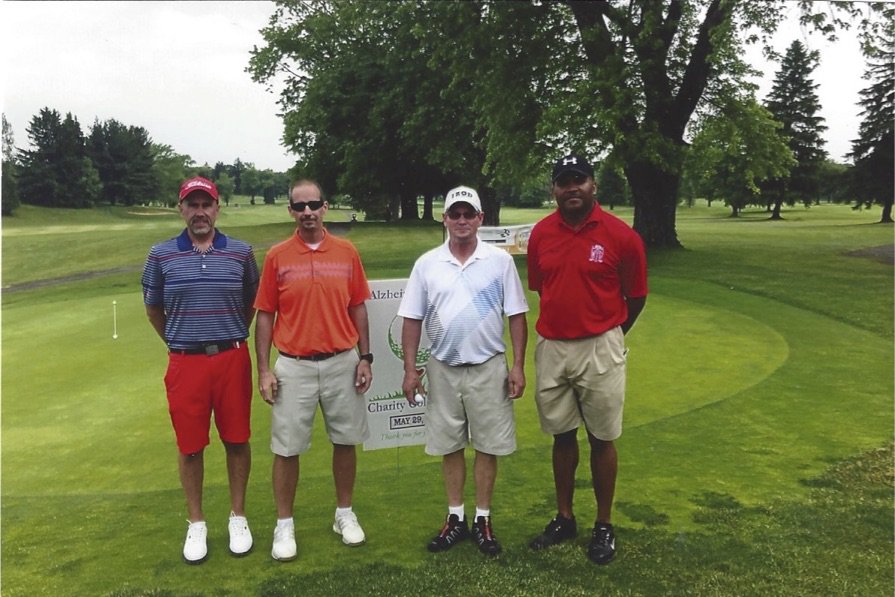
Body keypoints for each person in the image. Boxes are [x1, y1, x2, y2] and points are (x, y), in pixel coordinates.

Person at [526, 155, 648, 565]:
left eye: (579, 179)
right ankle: (565, 517)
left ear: (594, 185)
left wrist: (611, 332)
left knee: (601, 437)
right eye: (564, 181)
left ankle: (603, 524)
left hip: (600, 345)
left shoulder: (621, 236)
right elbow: (543, 287)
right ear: (554, 190)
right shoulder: (541, 234)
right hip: (553, 346)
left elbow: (637, 296)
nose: (572, 187)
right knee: (561, 435)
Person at [399, 185, 528, 556]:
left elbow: (516, 315)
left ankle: (482, 519)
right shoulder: (427, 264)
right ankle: (455, 517)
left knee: (488, 445)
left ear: (480, 218)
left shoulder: (499, 262)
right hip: (442, 368)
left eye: (468, 214)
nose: (461, 220)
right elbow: (412, 319)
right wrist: (410, 370)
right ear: (445, 219)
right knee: (450, 445)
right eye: (454, 214)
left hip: (489, 367)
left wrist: (518, 365)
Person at [254, 179, 373, 562]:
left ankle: (344, 513)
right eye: (299, 206)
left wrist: (366, 357)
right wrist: (263, 370)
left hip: (342, 361)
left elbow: (357, 306)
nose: (307, 212)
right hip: (294, 365)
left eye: (313, 205)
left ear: (325, 207)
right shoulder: (277, 256)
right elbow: (265, 314)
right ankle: (284, 524)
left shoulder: (346, 251)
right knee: (286, 448)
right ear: (291, 211)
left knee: (345, 440)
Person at [142, 176, 259, 564]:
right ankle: (196, 523)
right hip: (185, 362)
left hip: (231, 358)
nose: (200, 212)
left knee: (237, 439)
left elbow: (251, 302)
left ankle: (238, 517)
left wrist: (228, 333)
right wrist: (181, 339)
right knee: (190, 447)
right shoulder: (161, 255)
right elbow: (153, 309)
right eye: (192, 205)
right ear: (181, 209)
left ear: (217, 208)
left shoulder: (241, 253)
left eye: (206, 204)